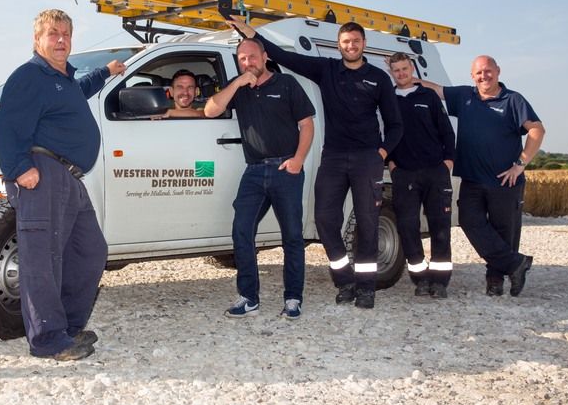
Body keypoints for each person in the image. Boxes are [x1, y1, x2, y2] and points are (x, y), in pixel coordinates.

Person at [226, 17, 402, 309]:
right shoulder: (328, 70)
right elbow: (283, 57)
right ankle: (344, 279)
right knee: (324, 219)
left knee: (368, 222)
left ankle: (366, 287)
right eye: (346, 42)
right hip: (332, 155)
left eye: (356, 41)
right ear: (339, 45)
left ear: (363, 44)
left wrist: (381, 154)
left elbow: (396, 124)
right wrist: (250, 33)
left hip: (366, 159)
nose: (351, 46)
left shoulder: (378, 78)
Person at [0, 9, 126, 360]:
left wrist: (108, 72)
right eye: (53, 33)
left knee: (90, 250)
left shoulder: (63, 80)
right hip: (43, 171)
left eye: (66, 33)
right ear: (37, 40)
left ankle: (67, 327)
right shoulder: (29, 76)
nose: (61, 39)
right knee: (42, 258)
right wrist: (20, 167)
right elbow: (5, 126)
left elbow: (81, 89)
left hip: (70, 177)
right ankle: (48, 339)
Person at [204, 37, 315, 319]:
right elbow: (211, 110)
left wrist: (298, 160)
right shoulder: (239, 88)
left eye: (252, 57)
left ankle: (293, 298)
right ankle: (248, 297)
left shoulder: (287, 84)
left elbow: (306, 124)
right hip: (253, 171)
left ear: (264, 56)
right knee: (241, 230)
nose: (247, 62)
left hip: (285, 170)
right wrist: (237, 83)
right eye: (242, 58)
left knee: (291, 236)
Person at [418, 55, 545, 297]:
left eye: (488, 71)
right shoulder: (465, 96)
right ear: (472, 76)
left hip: (505, 181)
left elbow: (537, 130)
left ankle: (495, 282)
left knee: (503, 232)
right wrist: (404, 78)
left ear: (498, 71)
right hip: (472, 179)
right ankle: (515, 264)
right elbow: (436, 90)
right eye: (478, 73)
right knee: (468, 221)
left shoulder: (513, 100)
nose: (483, 76)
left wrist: (520, 164)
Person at [385, 53, 456, 299]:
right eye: (397, 70)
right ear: (391, 72)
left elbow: (447, 132)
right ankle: (420, 277)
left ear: (412, 68)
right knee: (407, 227)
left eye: (405, 69)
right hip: (404, 174)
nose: (402, 74)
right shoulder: (388, 100)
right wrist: (391, 164)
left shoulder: (428, 96)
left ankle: (440, 280)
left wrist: (447, 163)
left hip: (435, 172)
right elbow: (382, 134)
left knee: (440, 227)